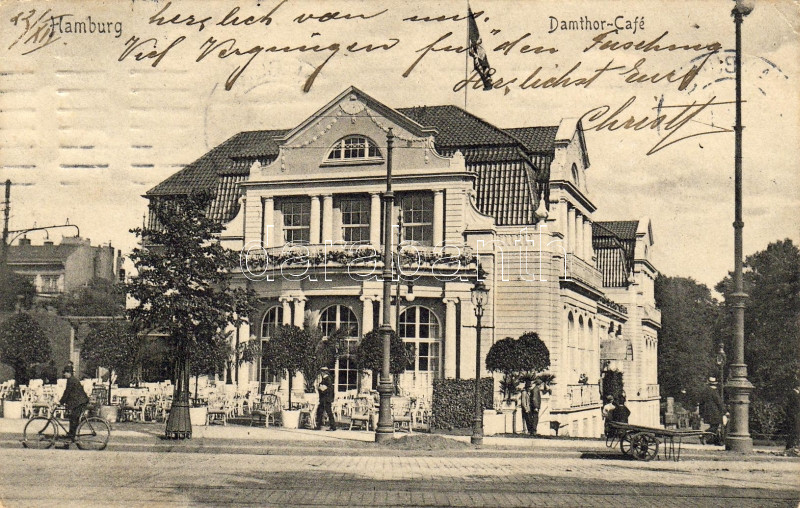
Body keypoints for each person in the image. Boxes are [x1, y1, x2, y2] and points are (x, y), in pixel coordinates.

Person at [58, 364, 89, 447]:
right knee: (72, 419)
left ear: (69, 373)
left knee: (74, 418)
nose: (64, 374)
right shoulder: (71, 379)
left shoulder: (71, 380)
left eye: (65, 372)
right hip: (78, 402)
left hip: (80, 402)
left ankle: (72, 437)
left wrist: (61, 402)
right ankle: (70, 437)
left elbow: (67, 392)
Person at [700, 379, 725, 445]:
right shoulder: (714, 391)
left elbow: (701, 402)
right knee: (715, 426)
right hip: (715, 412)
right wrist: (724, 411)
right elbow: (719, 402)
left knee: (713, 426)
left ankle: (713, 440)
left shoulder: (705, 391)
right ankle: (704, 435)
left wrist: (701, 413)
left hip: (707, 412)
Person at [315, 367, 336, 431]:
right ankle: (319, 425)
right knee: (321, 411)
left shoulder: (327, 379)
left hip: (326, 399)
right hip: (325, 399)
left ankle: (332, 426)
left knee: (328, 412)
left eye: (322, 372)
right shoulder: (326, 379)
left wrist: (320, 389)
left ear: (323, 372)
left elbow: (328, 390)